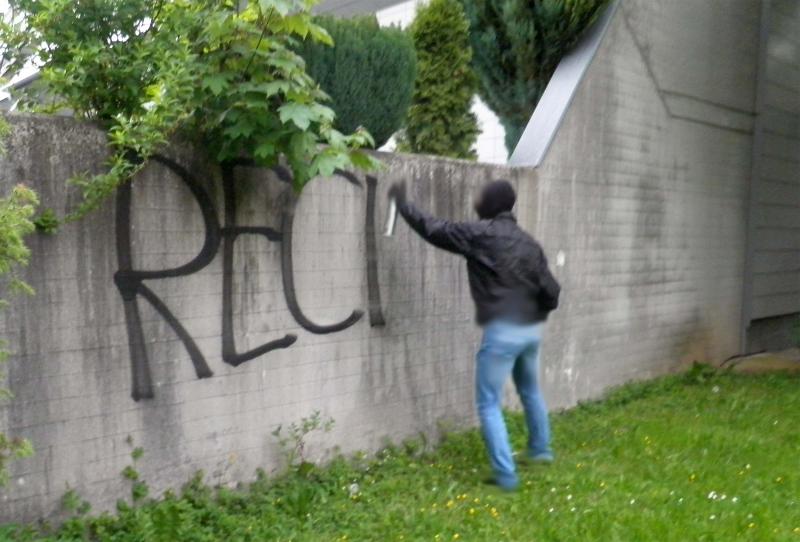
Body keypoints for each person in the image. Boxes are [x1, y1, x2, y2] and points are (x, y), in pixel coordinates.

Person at [388, 179, 561, 491]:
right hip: (530, 330)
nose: (476, 200)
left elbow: (434, 229)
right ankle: (540, 451)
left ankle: (506, 476)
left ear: (492, 203)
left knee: (489, 403)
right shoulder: (529, 244)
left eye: (481, 197)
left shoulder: (481, 235)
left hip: (503, 331)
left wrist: (403, 205)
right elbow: (552, 292)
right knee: (530, 391)